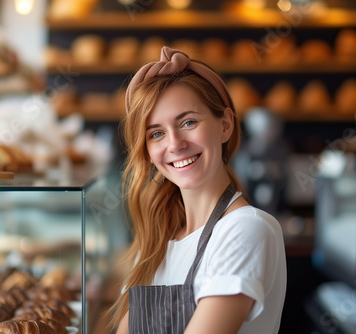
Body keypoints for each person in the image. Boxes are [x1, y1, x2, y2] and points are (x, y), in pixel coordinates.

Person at [111, 46, 287, 334]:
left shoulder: (245, 229)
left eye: (188, 122)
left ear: (226, 125)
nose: (175, 143)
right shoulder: (154, 242)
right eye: (157, 133)